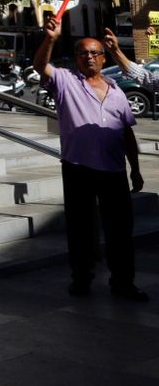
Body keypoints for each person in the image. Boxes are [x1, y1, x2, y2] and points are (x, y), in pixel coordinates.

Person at [36, 20, 147, 300]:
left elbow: (127, 134)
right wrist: (50, 39)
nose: (89, 58)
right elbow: (41, 66)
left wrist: (135, 169)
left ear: (103, 57)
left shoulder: (117, 91)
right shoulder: (65, 81)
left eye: (95, 53)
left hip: (113, 171)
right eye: (83, 53)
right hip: (78, 169)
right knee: (80, 229)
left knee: (120, 231)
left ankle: (123, 282)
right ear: (76, 58)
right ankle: (81, 279)